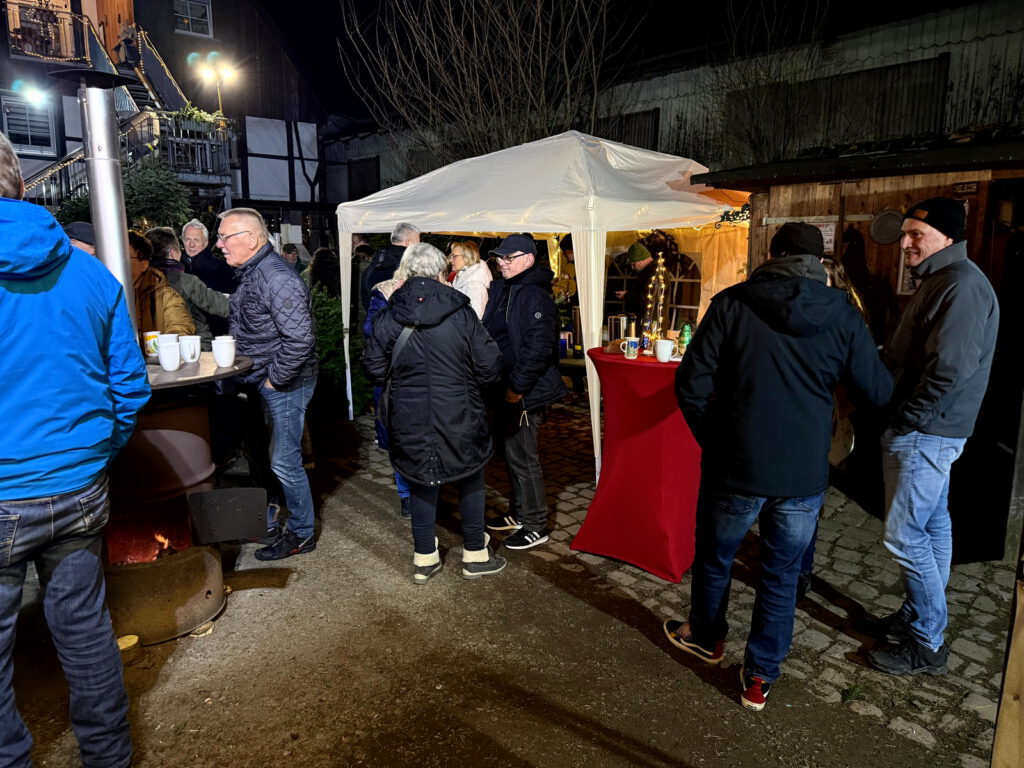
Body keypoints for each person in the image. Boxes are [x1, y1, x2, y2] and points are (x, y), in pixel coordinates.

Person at [670, 223, 892, 711]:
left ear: (773, 253)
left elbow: (690, 383)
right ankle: (760, 675)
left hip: (736, 463)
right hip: (802, 470)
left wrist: (716, 439)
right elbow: (877, 391)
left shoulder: (732, 303)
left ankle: (706, 636)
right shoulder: (842, 313)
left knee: (715, 558)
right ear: (818, 262)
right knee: (782, 572)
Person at [0, 133, 150, 768]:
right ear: (22, 182)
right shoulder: (91, 273)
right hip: (80, 487)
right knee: (87, 631)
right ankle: (109, 759)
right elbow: (130, 387)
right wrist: (93, 455)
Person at [866, 198, 999, 676]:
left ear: (947, 237)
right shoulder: (944, 280)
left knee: (904, 536)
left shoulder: (961, 286)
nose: (904, 244)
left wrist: (908, 418)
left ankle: (927, 642)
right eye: (905, 234)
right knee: (933, 526)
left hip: (926, 430)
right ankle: (921, 615)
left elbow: (951, 370)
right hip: (932, 429)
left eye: (915, 235)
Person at [364, 243, 505, 583]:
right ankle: (475, 553)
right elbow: (490, 366)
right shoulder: (461, 312)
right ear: (442, 273)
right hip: (460, 410)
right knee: (471, 476)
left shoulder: (389, 313)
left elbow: (373, 367)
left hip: (408, 414)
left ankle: (425, 558)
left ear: (407, 273)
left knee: (420, 480)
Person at [218, 208, 318, 561]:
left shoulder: (275, 276)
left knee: (284, 461)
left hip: (285, 381)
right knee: (266, 457)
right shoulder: (253, 271)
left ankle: (303, 534)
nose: (220, 245)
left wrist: (275, 378)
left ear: (252, 239)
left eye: (225, 237)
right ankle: (274, 519)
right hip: (262, 378)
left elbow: (300, 339)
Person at [482, 233, 568, 549]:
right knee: (512, 456)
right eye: (500, 257)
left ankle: (535, 525)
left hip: (524, 393)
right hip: (505, 388)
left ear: (528, 259)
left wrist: (516, 388)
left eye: (508, 257)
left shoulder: (534, 295)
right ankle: (519, 514)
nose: (501, 262)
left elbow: (539, 348)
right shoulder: (507, 287)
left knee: (524, 459)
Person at [146, 227, 229, 349]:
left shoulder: (138, 280)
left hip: (151, 346)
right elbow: (223, 306)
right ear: (173, 252)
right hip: (194, 346)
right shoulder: (185, 281)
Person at [128, 230, 194, 337]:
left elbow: (179, 330)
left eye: (126, 258)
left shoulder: (166, 297)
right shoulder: (103, 294)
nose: (118, 262)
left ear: (144, 264)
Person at [361, 222, 419, 309]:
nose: (419, 247)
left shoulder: (374, 262)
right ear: (408, 243)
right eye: (417, 243)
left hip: (376, 318)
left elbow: (365, 296)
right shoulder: (410, 265)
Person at [181, 218, 235, 294]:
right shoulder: (175, 266)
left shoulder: (223, 268)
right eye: (187, 239)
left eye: (196, 240)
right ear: (182, 240)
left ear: (206, 243)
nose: (191, 245)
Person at [449, 239, 491, 319]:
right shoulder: (464, 278)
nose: (451, 260)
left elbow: (475, 316)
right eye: (451, 256)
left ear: (467, 257)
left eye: (454, 256)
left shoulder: (473, 284)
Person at [614, 242, 655, 320]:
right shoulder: (649, 271)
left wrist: (627, 295)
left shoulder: (654, 273)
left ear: (642, 260)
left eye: (633, 264)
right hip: (647, 321)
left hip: (650, 323)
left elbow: (646, 299)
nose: (632, 268)